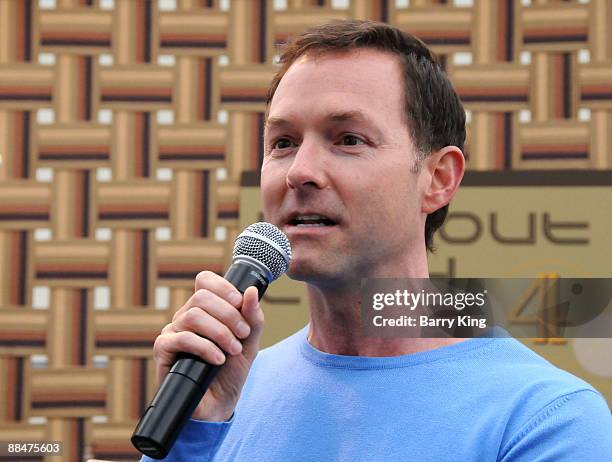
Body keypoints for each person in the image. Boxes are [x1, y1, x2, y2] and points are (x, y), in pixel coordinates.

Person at [143, 21, 612, 461]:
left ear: (438, 179)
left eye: (348, 139)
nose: (301, 171)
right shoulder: (220, 395)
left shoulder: (545, 418)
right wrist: (194, 436)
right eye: (283, 143)